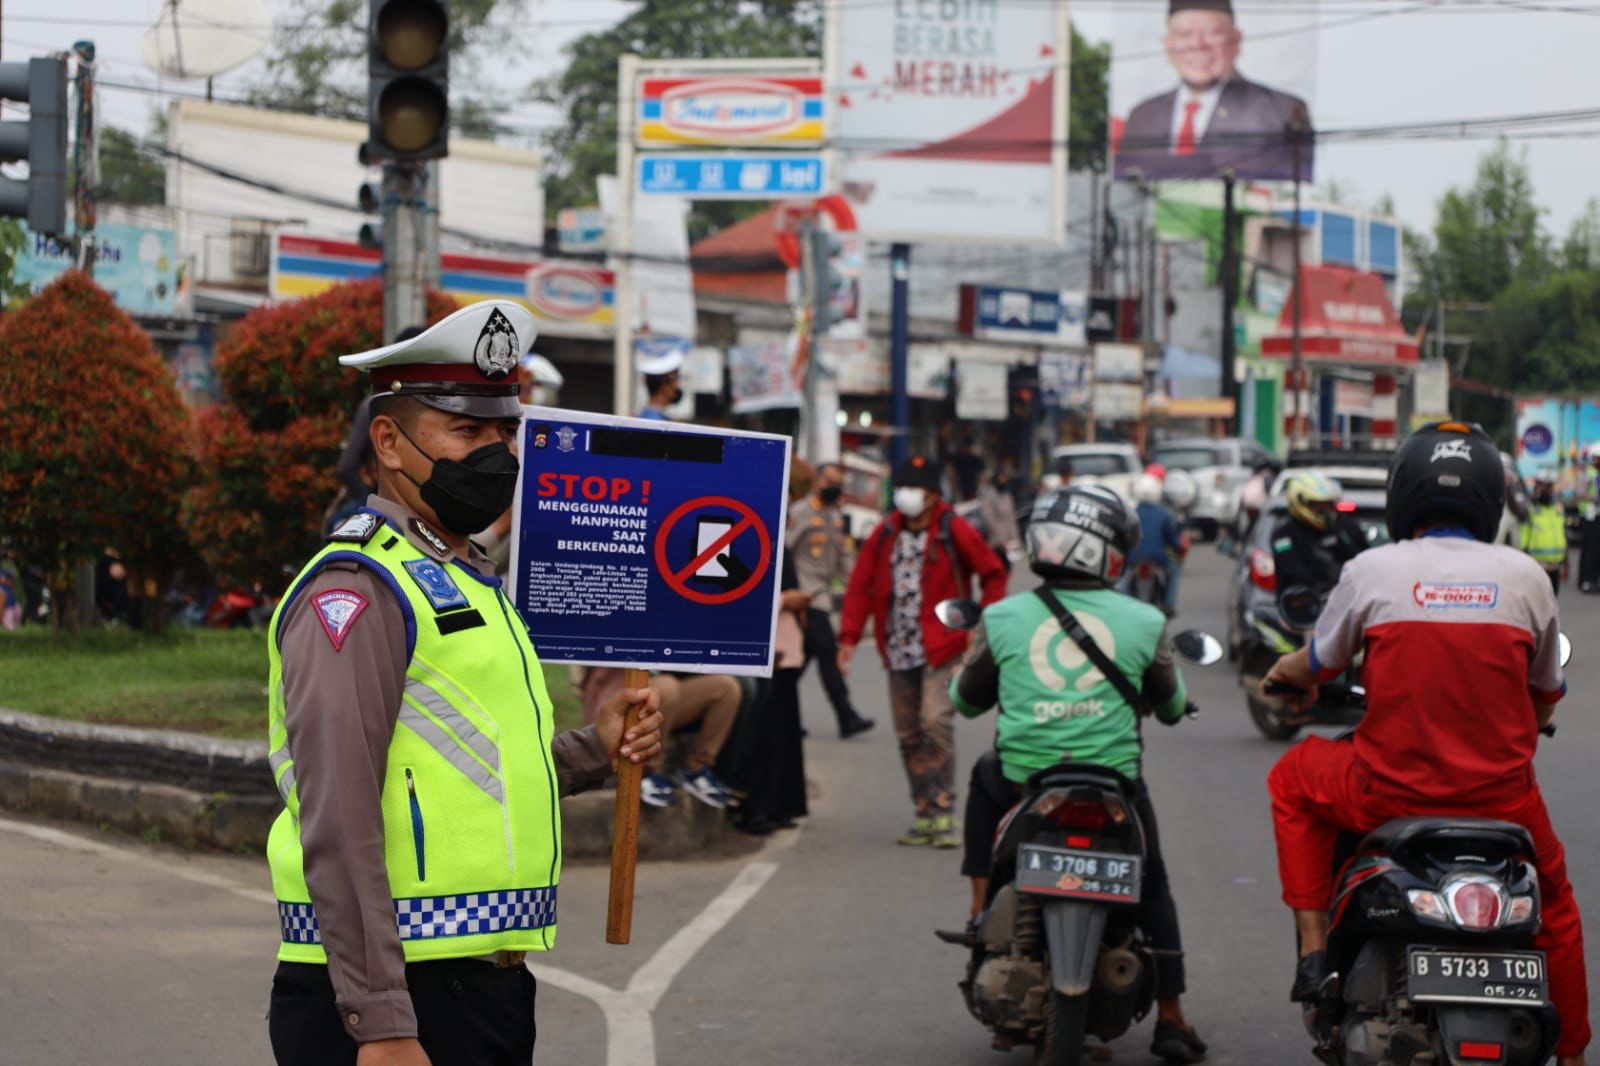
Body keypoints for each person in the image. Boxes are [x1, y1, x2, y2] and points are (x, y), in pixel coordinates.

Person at [264, 301, 665, 1066]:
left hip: (482, 986)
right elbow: (339, 816)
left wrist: (596, 749)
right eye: (467, 431)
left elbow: (469, 772)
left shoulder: (466, 578)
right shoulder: (358, 588)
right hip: (392, 997)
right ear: (389, 441)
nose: (498, 453)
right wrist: (381, 1022)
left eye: (504, 431)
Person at [1263, 421, 1590, 1066]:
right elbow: (1546, 693)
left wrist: (1283, 678)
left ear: (1404, 492)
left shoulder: (1372, 570)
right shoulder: (1527, 578)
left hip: (1386, 795)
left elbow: (1319, 661)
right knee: (1557, 911)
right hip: (1504, 802)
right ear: (1491, 497)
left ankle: (1312, 951)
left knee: (1293, 777)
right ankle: (1575, 1054)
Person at [950, 484, 1208, 1065]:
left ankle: (980, 913)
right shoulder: (1144, 620)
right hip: (1113, 788)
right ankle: (1171, 1016)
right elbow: (1169, 708)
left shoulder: (1003, 616)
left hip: (1025, 785)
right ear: (1110, 554)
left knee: (984, 777)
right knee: (1155, 883)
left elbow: (965, 703)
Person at [837, 455, 1008, 848]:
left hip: (943, 647)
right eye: (903, 487)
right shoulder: (885, 533)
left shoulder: (954, 529)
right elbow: (860, 585)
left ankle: (945, 809)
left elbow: (993, 572)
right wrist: (848, 638)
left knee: (934, 721)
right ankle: (924, 813)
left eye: (915, 488)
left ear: (932, 495)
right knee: (908, 733)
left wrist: (980, 624)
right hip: (898, 649)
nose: (906, 495)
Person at [1114, 0, 1313, 183]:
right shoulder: (1142, 116)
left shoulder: (1281, 113)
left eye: (1213, 33)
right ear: (1167, 44)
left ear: (1236, 40)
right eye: (1185, 35)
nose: (1198, 46)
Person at [787, 460, 875, 739]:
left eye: (837, 484)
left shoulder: (836, 518)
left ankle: (779, 714)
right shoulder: (800, 512)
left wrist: (859, 588)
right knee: (826, 651)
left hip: (821, 597)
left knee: (799, 663)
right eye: (828, 482)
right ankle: (845, 715)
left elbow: (843, 561)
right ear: (816, 482)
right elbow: (785, 548)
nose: (832, 488)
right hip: (804, 597)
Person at [734, 551, 811, 834]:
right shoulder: (748, 539)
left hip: (786, 649)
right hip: (757, 649)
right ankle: (756, 808)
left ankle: (781, 807)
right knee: (761, 734)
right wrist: (782, 601)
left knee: (784, 733)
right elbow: (738, 591)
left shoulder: (781, 544)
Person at [1269, 472, 1367, 600]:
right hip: (1304, 607)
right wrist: (1324, 589)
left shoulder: (1343, 528)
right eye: (1318, 506)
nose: (1325, 511)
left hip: (1347, 602)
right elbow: (1293, 570)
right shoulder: (1284, 535)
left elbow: (1362, 560)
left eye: (1328, 505)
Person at [1123, 472, 1188, 616]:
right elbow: (1172, 540)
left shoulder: (1131, 513)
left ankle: (1124, 603)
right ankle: (1168, 604)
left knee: (1124, 576)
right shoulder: (1164, 514)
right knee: (1174, 571)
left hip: (1133, 560)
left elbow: (1124, 539)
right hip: (1158, 559)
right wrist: (1178, 548)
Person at [1522, 473, 1569, 595]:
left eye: (1549, 487)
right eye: (1543, 487)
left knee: (1553, 603)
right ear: (1536, 487)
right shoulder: (1530, 509)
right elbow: (1524, 537)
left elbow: (1563, 534)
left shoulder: (1557, 509)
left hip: (1555, 566)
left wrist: (1566, 563)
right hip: (1537, 566)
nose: (1547, 490)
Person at [977, 468, 1024, 572]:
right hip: (996, 542)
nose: (1002, 480)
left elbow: (1011, 518)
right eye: (1000, 478)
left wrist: (1016, 538)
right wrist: (1000, 541)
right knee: (998, 569)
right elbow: (988, 518)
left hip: (1009, 540)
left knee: (1008, 569)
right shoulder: (990, 495)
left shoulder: (1007, 494)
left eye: (1004, 478)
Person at [637, 346, 684, 422]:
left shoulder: (652, 418)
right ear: (664, 387)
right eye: (676, 381)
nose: (678, 387)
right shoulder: (654, 422)